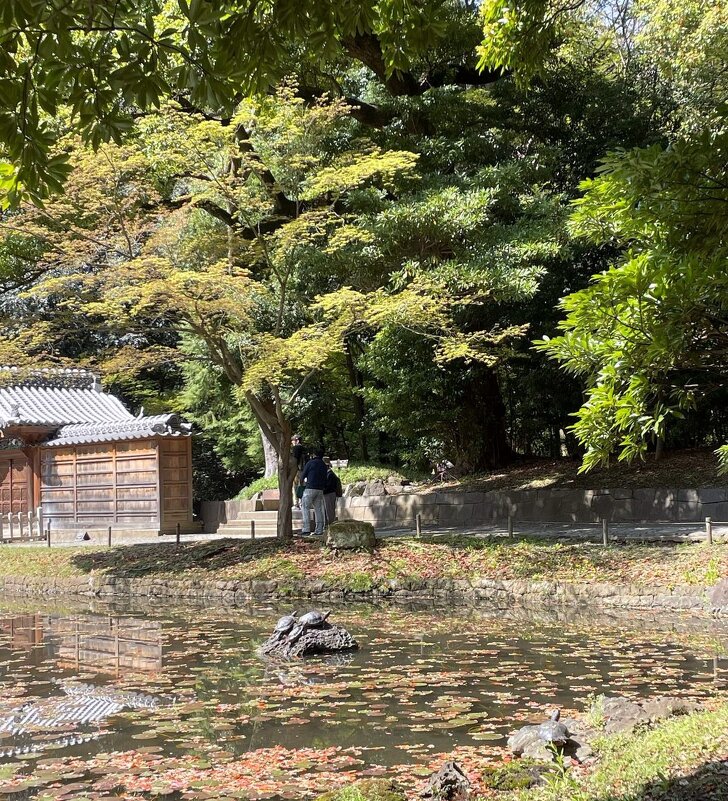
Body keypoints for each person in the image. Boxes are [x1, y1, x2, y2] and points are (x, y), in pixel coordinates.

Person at [300, 446, 327, 536]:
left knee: (305, 508)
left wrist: (301, 485)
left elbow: (302, 476)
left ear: (314, 454)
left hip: (310, 488)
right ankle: (319, 529)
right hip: (320, 490)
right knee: (319, 509)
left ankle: (306, 529)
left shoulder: (310, 463)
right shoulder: (323, 465)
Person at [323, 457, 343, 526]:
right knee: (329, 510)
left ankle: (331, 525)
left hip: (329, 494)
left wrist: (322, 490)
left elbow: (329, 487)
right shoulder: (329, 474)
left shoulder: (330, 475)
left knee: (329, 511)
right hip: (329, 494)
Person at [291, 434, 306, 508]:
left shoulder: (296, 448)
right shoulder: (304, 449)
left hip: (297, 470)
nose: (292, 442)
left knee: (295, 487)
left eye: (293, 440)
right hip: (304, 470)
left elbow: (294, 460)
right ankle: (302, 502)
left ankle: (296, 503)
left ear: (297, 440)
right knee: (302, 486)